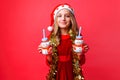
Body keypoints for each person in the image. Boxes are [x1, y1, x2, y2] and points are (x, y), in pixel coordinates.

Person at [38, 3, 89, 80]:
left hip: (72, 72)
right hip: (57, 72)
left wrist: (80, 53)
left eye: (67, 16)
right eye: (59, 16)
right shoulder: (51, 38)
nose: (63, 19)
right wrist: (48, 54)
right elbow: (50, 63)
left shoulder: (77, 38)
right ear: (55, 20)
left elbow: (80, 62)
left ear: (71, 19)